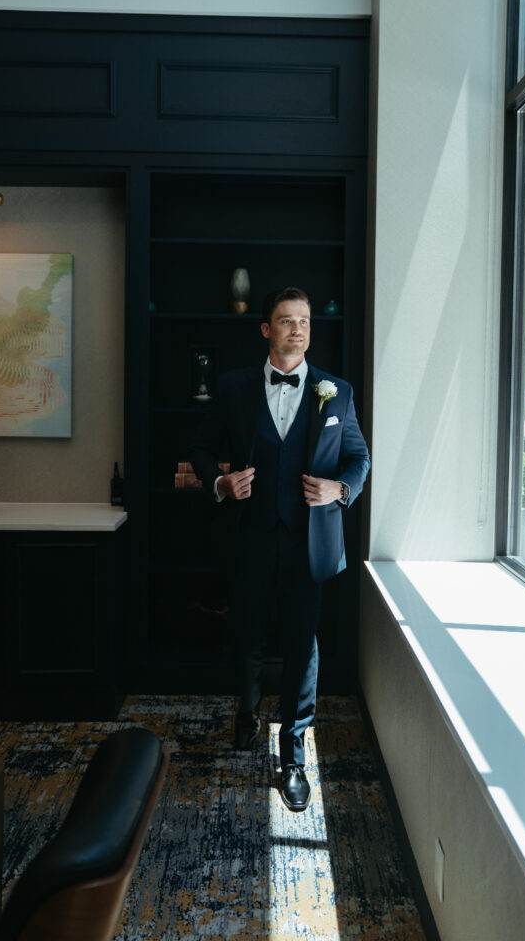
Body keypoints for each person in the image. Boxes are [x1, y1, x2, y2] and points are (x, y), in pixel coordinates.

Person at [191, 286, 370, 812]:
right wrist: (222, 485)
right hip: (250, 536)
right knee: (246, 634)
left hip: (308, 543)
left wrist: (339, 490)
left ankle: (292, 752)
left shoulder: (337, 392)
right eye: (286, 320)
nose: (297, 329)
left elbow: (358, 458)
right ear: (266, 329)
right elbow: (201, 449)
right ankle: (247, 713)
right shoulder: (232, 388)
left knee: (301, 644)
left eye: (305, 321)